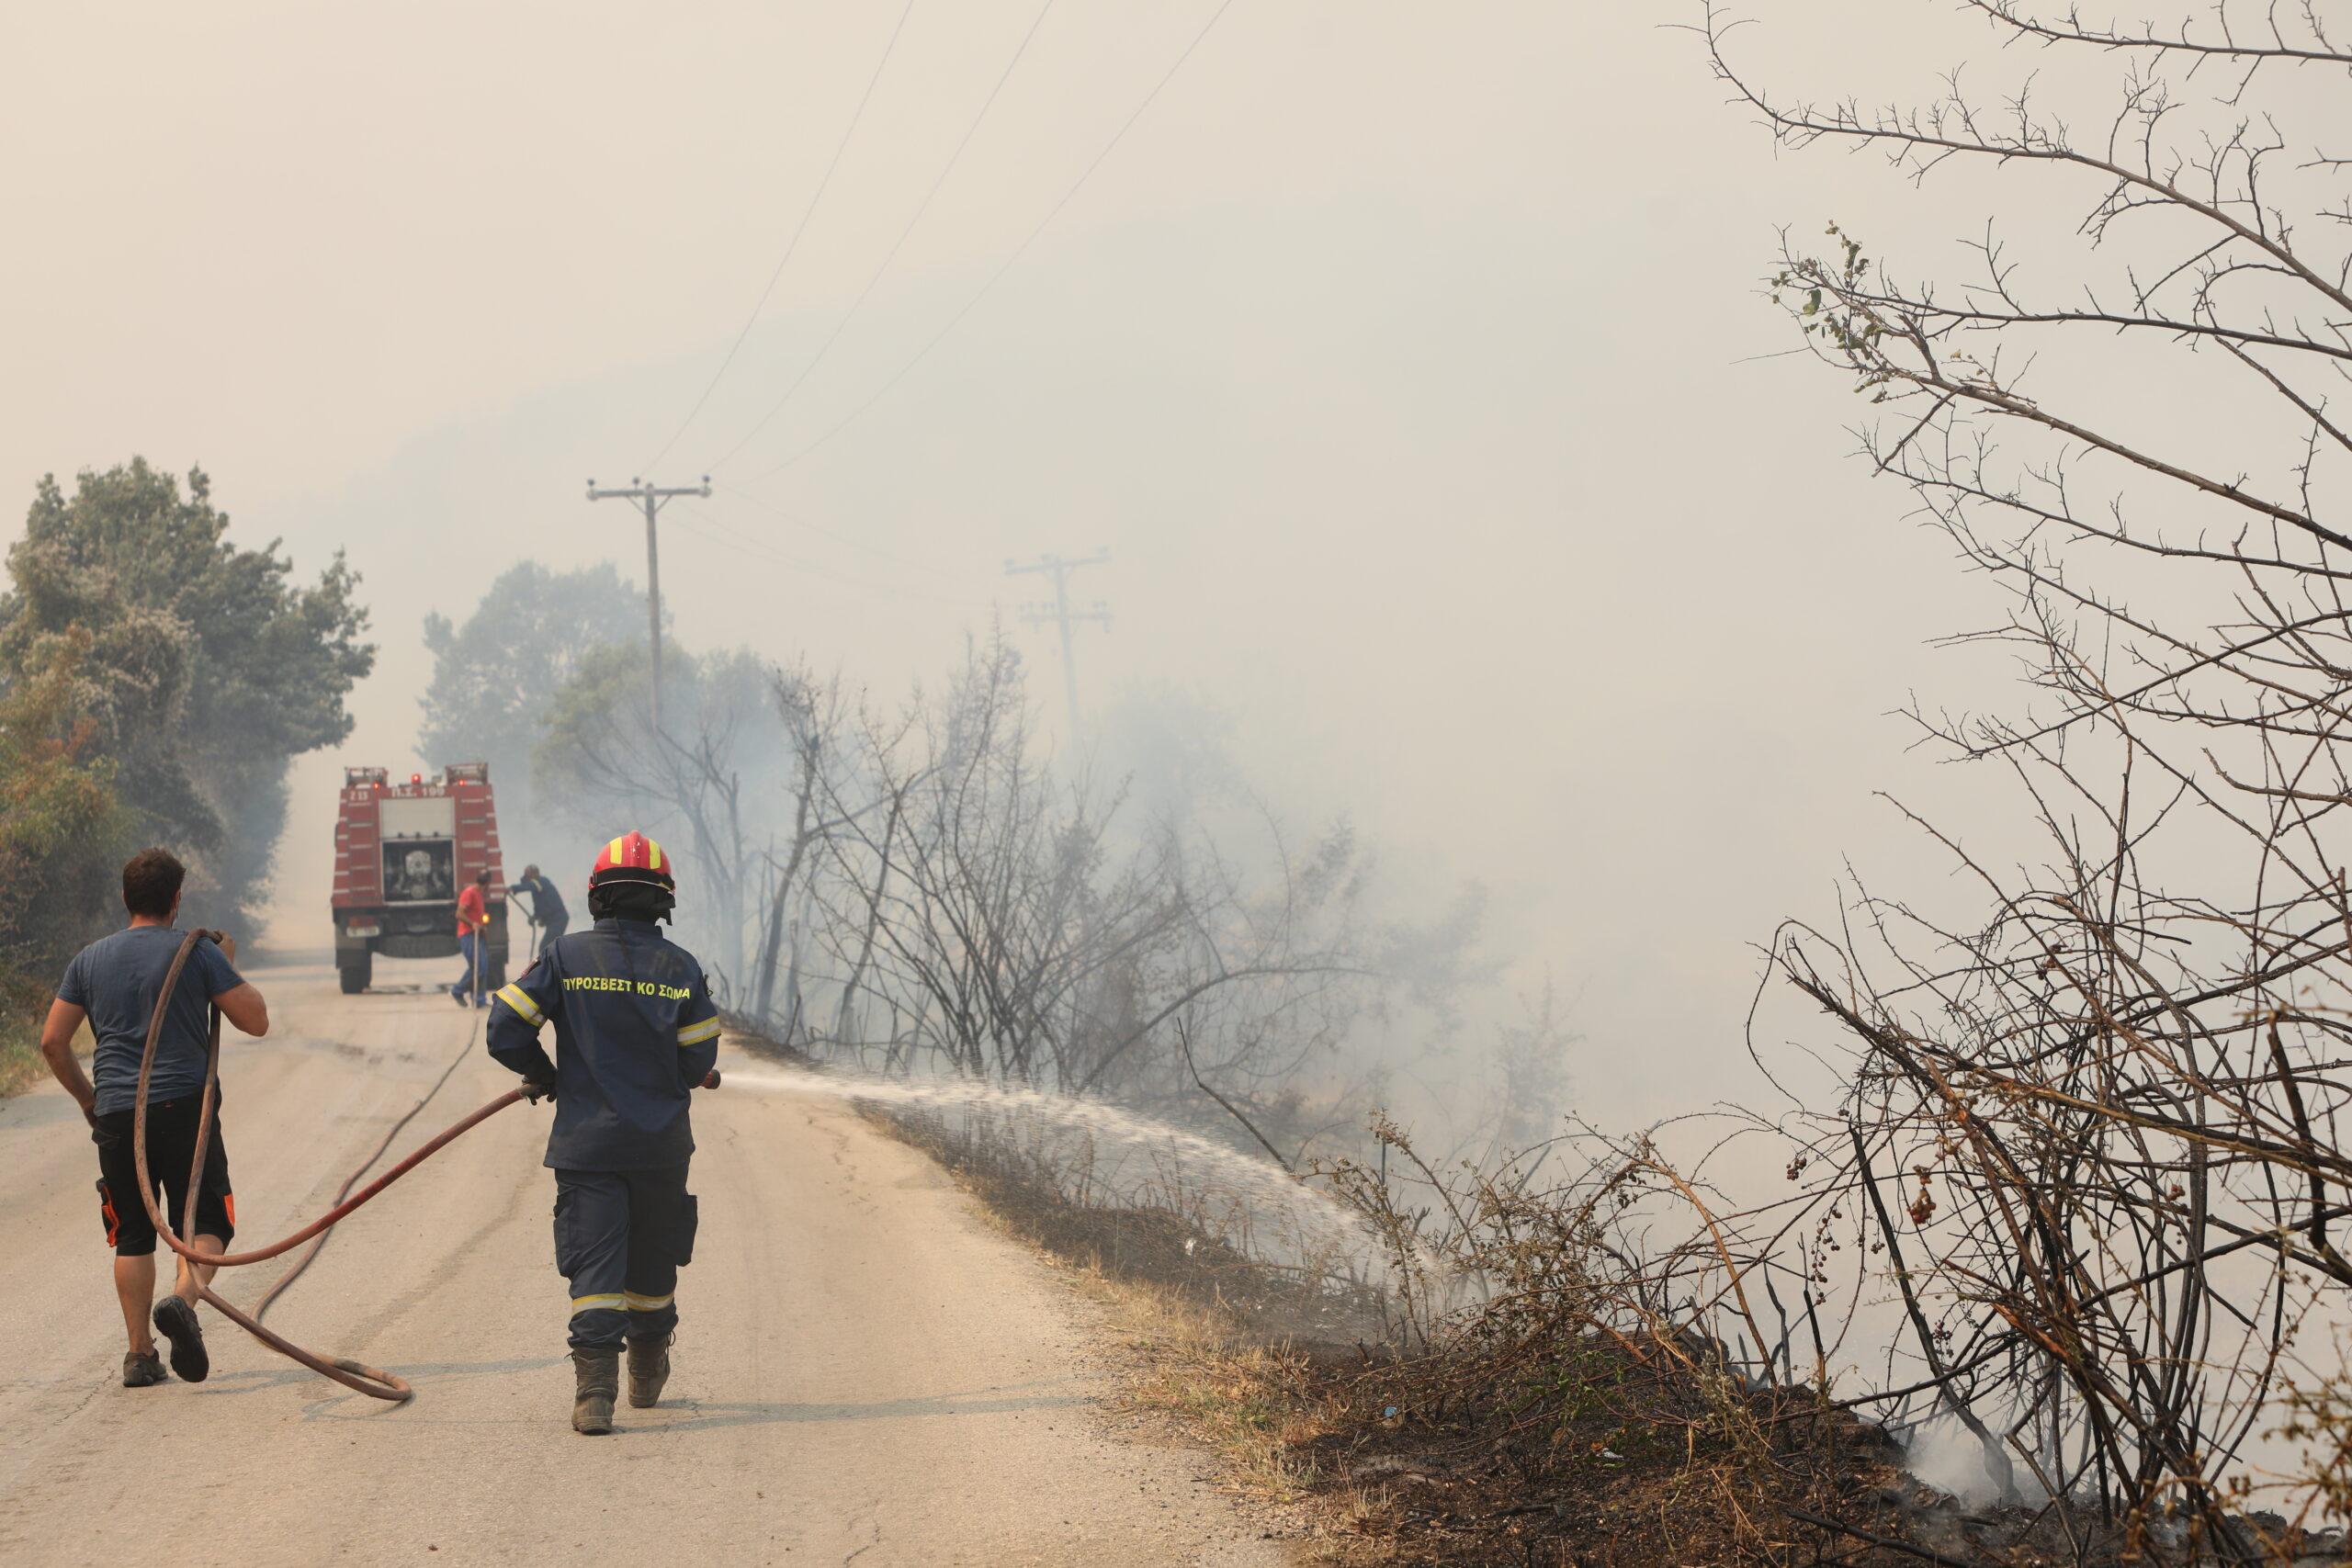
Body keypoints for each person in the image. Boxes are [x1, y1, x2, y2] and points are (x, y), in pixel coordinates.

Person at [486, 831, 718, 1435]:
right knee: (652, 1261)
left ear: (597, 896)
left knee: (595, 1265)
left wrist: (545, 1073)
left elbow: (504, 1028)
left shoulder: (564, 957)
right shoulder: (682, 967)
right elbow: (697, 1063)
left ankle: (594, 1392)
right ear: (662, 902)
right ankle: (646, 1368)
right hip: (661, 1146)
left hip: (588, 1145)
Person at [39, 848, 270, 1388]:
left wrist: (91, 1101)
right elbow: (256, 1021)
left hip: (119, 1115)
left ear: (126, 900)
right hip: (186, 1108)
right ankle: (183, 1302)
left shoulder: (88, 961)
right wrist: (227, 963)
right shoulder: (197, 952)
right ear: (176, 899)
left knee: (133, 1236)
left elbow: (52, 1042)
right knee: (208, 1223)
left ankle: (140, 1355)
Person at [449, 868, 492, 1007]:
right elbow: (459, 914)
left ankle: (479, 1000)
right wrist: (472, 923)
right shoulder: (470, 893)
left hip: (477, 935)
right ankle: (457, 990)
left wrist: (482, 928)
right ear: (488, 883)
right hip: (467, 935)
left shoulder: (479, 894)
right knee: (478, 967)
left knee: (482, 967)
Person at [510, 863, 568, 960]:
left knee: (545, 947)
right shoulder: (538, 889)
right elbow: (540, 908)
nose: (526, 878)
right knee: (550, 947)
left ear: (534, 874)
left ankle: (551, 970)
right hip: (555, 921)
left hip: (558, 920)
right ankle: (554, 968)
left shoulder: (541, 881)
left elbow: (530, 885)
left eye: (527, 875)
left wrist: (513, 888)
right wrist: (535, 917)